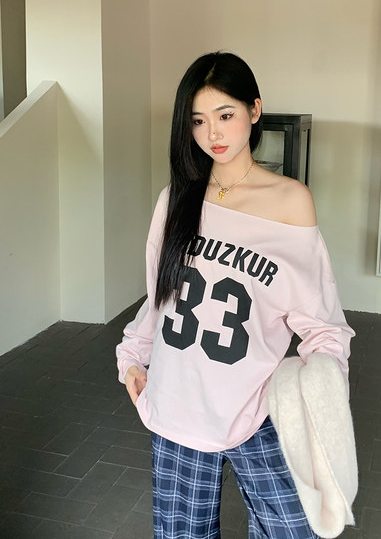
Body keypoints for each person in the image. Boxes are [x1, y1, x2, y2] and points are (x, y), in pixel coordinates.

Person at [116, 51, 355, 539]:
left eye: (225, 115)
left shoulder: (290, 202)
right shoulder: (176, 199)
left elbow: (322, 324)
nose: (213, 134)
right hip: (178, 404)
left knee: (295, 528)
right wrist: (133, 357)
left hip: (257, 403)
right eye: (198, 120)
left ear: (255, 109)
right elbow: (159, 297)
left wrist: (321, 399)